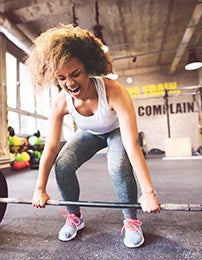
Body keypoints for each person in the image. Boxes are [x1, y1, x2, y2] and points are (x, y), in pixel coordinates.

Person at [25, 24, 160, 248]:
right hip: (89, 133)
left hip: (115, 132)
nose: (69, 83)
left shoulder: (114, 92)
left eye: (75, 74)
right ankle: (74, 217)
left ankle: (131, 220)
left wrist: (148, 192)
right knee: (63, 164)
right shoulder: (61, 102)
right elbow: (50, 147)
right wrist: (39, 188)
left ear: (88, 68)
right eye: (61, 78)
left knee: (117, 165)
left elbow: (132, 144)